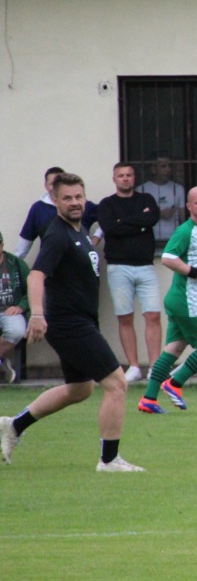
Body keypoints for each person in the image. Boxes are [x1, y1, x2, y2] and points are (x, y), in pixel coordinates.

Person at [0, 173, 143, 471]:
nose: (75, 202)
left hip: (81, 320)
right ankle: (109, 460)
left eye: (79, 197)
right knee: (117, 383)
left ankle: (14, 425)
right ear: (55, 201)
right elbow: (36, 275)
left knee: (80, 389)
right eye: (67, 198)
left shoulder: (79, 230)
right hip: (69, 324)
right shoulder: (57, 234)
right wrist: (37, 314)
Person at [137, 186, 197, 413]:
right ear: (189, 206)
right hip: (187, 298)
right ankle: (175, 383)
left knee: (174, 348)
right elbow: (168, 258)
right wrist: (194, 272)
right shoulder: (185, 231)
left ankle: (149, 399)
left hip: (184, 298)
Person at [97, 162, 162, 383]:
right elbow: (110, 228)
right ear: (114, 179)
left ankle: (155, 366)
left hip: (146, 266)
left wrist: (122, 223)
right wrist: (138, 225)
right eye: (121, 175)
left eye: (129, 175)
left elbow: (151, 218)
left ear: (135, 178)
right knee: (125, 317)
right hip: (118, 267)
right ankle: (133, 366)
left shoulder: (147, 200)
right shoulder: (107, 204)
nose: (125, 178)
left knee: (153, 315)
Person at [14, 166, 101, 259]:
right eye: (52, 184)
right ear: (45, 185)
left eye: (58, 184)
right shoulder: (38, 208)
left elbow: (107, 216)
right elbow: (25, 240)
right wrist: (14, 262)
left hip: (82, 260)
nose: (55, 188)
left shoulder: (81, 205)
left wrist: (96, 237)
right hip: (51, 261)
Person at [0, 231, 30, 384]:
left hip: (10, 311)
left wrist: (21, 306)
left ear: (2, 245)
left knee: (16, 330)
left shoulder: (16, 263)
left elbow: (32, 290)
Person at [138, 154, 187, 241]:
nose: (168, 169)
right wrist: (158, 213)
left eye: (169, 166)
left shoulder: (178, 188)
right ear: (153, 169)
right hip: (149, 239)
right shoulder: (141, 189)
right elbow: (137, 215)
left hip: (174, 239)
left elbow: (183, 217)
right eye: (163, 166)